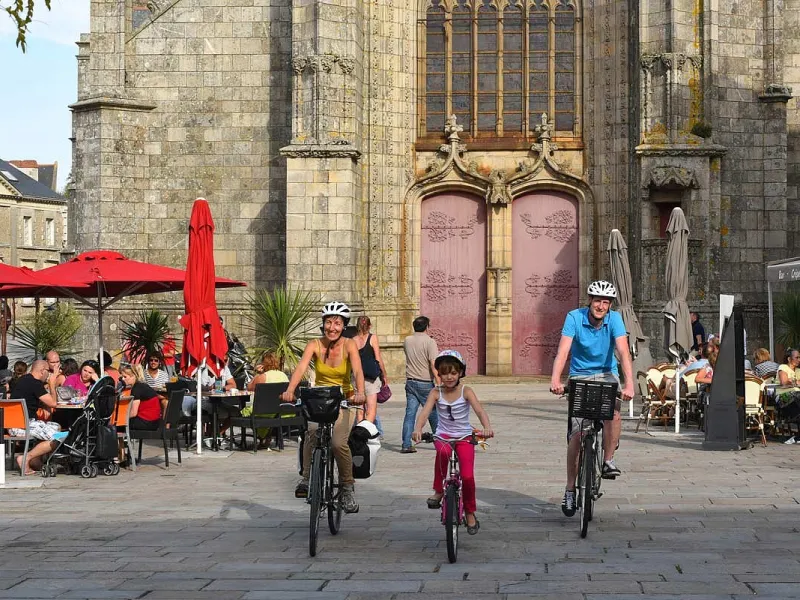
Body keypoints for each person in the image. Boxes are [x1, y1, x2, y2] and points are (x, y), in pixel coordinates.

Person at [549, 280, 634, 517]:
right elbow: (563, 351)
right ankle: (569, 489)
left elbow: (623, 352)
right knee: (577, 433)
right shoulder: (574, 317)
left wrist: (629, 384)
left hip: (607, 374)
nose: (601, 306)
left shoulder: (615, 319)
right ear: (590, 301)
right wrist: (556, 380)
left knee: (613, 413)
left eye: (605, 302)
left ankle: (608, 459)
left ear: (609, 305)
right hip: (580, 375)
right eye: (597, 300)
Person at [280, 301, 366, 513]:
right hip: (318, 400)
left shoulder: (349, 345)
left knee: (338, 443)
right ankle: (307, 479)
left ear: (344, 325)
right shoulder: (314, 345)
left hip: (344, 400)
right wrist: (290, 390)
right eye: (328, 322)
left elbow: (358, 371)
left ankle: (347, 487)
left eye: (337, 323)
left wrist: (361, 393)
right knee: (311, 433)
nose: (332, 328)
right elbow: (301, 368)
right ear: (323, 324)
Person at [412, 350, 493, 535]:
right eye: (445, 373)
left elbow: (480, 411)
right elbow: (424, 413)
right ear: (439, 374)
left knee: (467, 476)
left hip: (465, 436)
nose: (449, 377)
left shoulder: (466, 391)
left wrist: (486, 428)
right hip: (444, 436)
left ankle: (470, 512)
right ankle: (439, 490)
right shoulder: (435, 392)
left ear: (460, 373)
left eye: (454, 373)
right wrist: (417, 429)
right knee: (443, 453)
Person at [8, 360, 60, 475]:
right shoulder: (35, 383)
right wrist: (52, 384)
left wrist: (45, 406)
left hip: (13, 425)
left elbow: (30, 398)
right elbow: (53, 403)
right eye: (48, 371)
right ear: (42, 371)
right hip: (24, 426)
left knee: (55, 426)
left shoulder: (23, 380)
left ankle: (35, 460)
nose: (49, 374)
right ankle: (26, 458)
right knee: (58, 436)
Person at [401, 315, 440, 453]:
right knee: (432, 413)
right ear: (426, 327)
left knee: (410, 414)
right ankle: (440, 441)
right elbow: (433, 364)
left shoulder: (407, 340)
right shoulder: (430, 342)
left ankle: (406, 444)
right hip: (425, 382)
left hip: (410, 381)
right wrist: (439, 382)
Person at [245, 351, 290, 448]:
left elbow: (249, 388)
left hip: (263, 411)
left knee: (245, 410)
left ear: (263, 363)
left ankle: (261, 437)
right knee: (264, 410)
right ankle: (265, 436)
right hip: (281, 410)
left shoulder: (262, 377)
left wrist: (256, 373)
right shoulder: (284, 376)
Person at [354, 316, 388, 430]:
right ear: (369, 326)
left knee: (359, 411)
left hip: (356, 378)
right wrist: (384, 374)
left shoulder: (353, 340)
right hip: (371, 379)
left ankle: (358, 434)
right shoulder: (372, 338)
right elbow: (378, 358)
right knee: (371, 410)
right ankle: (367, 434)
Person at [119, 364, 164, 430]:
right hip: (155, 422)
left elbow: (134, 413)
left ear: (133, 376)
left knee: (116, 425)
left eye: (125, 377)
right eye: (121, 377)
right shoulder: (142, 385)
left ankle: (119, 440)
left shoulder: (136, 389)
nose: (122, 379)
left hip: (147, 422)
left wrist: (120, 418)